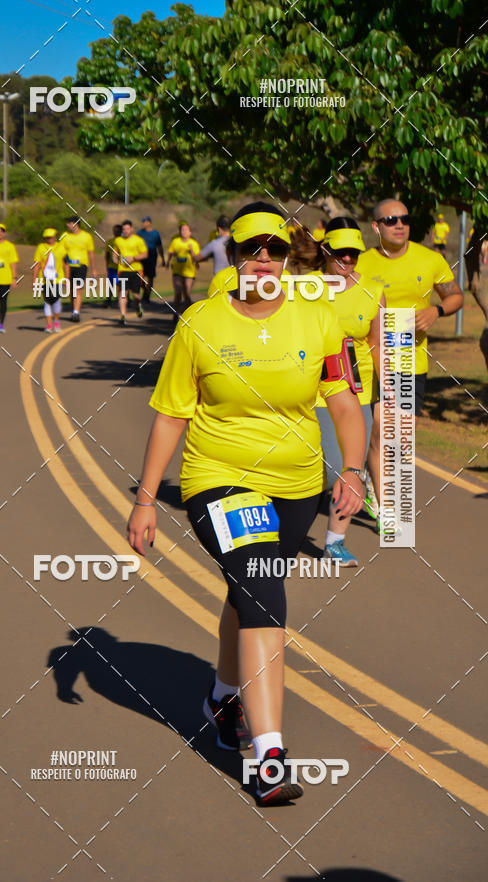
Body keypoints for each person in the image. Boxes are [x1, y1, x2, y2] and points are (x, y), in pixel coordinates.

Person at [127, 201, 366, 806]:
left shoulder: (320, 321)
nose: (264, 259)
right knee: (263, 592)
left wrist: (356, 470)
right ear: (231, 256)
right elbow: (170, 415)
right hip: (220, 478)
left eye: (276, 249)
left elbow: (343, 404)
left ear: (289, 257)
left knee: (248, 588)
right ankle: (268, 758)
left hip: (297, 487)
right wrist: (147, 499)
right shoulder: (201, 323)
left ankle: (222, 696)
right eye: (251, 249)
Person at [305, 217, 384, 567]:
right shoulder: (305, 287)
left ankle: (334, 542)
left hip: (357, 390)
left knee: (349, 466)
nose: (348, 260)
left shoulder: (374, 290)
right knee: (319, 466)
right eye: (341, 253)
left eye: (353, 254)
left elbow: (378, 344)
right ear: (325, 251)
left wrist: (390, 395)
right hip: (310, 388)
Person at [358, 199, 463, 421]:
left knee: (400, 438)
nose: (399, 225)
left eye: (405, 220)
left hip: (408, 361)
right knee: (374, 431)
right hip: (368, 362)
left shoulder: (431, 260)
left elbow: (456, 296)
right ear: (376, 226)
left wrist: (436, 311)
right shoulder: (360, 264)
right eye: (391, 220)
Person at [61, 214, 96, 322]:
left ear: (75, 224)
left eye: (69, 223)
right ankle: (74, 310)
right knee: (71, 291)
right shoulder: (65, 236)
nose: (67, 225)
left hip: (81, 266)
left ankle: (76, 312)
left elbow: (91, 254)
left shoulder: (86, 236)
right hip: (68, 266)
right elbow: (61, 252)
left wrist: (94, 269)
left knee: (78, 289)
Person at [112, 220, 148, 325]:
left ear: (131, 229)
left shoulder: (138, 240)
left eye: (128, 229)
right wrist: (115, 259)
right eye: (124, 229)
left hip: (136, 270)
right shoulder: (118, 240)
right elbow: (115, 253)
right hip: (123, 270)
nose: (126, 231)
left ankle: (138, 306)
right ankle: (123, 316)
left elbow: (145, 254)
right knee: (123, 293)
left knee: (136, 295)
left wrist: (133, 258)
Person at [33, 228, 65, 333]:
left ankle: (56, 321)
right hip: (44, 280)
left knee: (56, 301)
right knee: (47, 302)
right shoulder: (41, 247)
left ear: (55, 236)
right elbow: (37, 264)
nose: (49, 239)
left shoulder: (61, 247)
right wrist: (35, 279)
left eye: (50, 237)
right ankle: (49, 325)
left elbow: (66, 264)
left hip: (58, 279)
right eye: (47, 237)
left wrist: (67, 279)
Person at [167, 222, 200, 321]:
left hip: (189, 272)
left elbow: (197, 257)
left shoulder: (193, 243)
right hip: (177, 271)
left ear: (190, 232)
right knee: (177, 293)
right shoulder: (175, 242)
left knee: (187, 294)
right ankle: (175, 314)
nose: (184, 232)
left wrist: (192, 251)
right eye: (182, 230)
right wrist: (168, 262)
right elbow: (170, 252)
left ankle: (188, 315)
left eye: (186, 230)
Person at [137, 216, 164, 304]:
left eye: (144, 222)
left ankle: (147, 296)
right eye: (142, 222)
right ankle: (145, 291)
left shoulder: (155, 233)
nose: (143, 223)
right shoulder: (139, 233)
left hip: (152, 258)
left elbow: (159, 246)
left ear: (149, 222)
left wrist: (163, 259)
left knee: (150, 278)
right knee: (139, 278)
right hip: (141, 260)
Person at [104, 224, 122, 308]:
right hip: (112, 267)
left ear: (121, 231)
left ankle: (123, 300)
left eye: (118, 230)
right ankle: (108, 300)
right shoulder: (109, 241)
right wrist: (107, 266)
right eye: (114, 230)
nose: (116, 232)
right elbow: (107, 255)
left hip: (122, 267)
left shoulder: (124, 241)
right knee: (110, 284)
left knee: (121, 284)